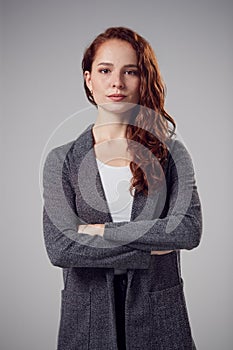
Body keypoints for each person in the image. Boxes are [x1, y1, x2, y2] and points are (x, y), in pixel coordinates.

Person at [42, 26, 202, 350]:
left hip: (160, 319)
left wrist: (102, 232)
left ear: (142, 79)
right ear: (89, 79)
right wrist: (152, 243)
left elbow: (187, 230)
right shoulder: (61, 160)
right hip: (86, 323)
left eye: (130, 71)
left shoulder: (171, 155)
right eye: (105, 70)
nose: (117, 82)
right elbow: (61, 248)